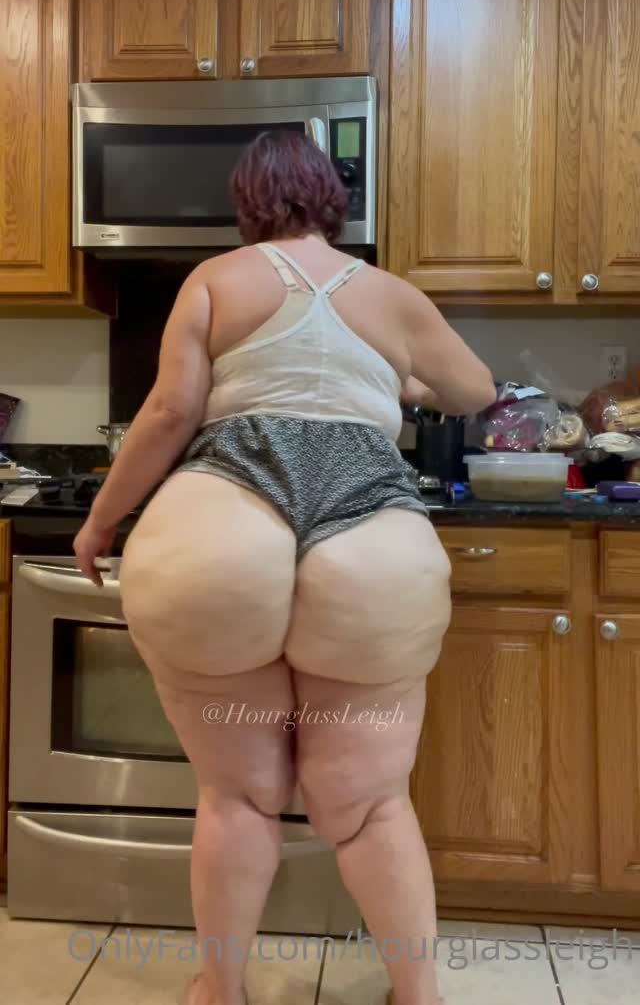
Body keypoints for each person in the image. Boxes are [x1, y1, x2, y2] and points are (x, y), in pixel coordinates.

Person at [74, 130, 496, 1005]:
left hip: (221, 516)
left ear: (247, 202)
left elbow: (170, 413)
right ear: (333, 201)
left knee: (236, 794)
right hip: (372, 533)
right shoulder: (391, 295)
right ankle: (418, 995)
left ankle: (219, 989)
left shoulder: (215, 279)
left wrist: (101, 520)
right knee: (373, 803)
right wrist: (400, 381)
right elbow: (476, 392)